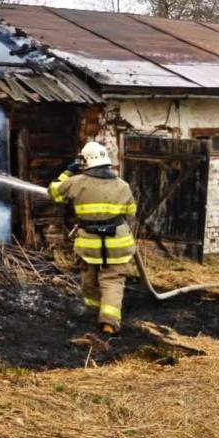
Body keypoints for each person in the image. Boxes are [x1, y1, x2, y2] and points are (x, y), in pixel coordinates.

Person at [48, 140, 137, 334]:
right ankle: (108, 323)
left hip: (89, 245)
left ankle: (93, 313)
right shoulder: (123, 185)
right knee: (112, 281)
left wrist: (68, 172)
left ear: (85, 162)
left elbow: (54, 191)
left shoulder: (75, 182)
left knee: (89, 281)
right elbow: (131, 212)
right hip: (118, 243)